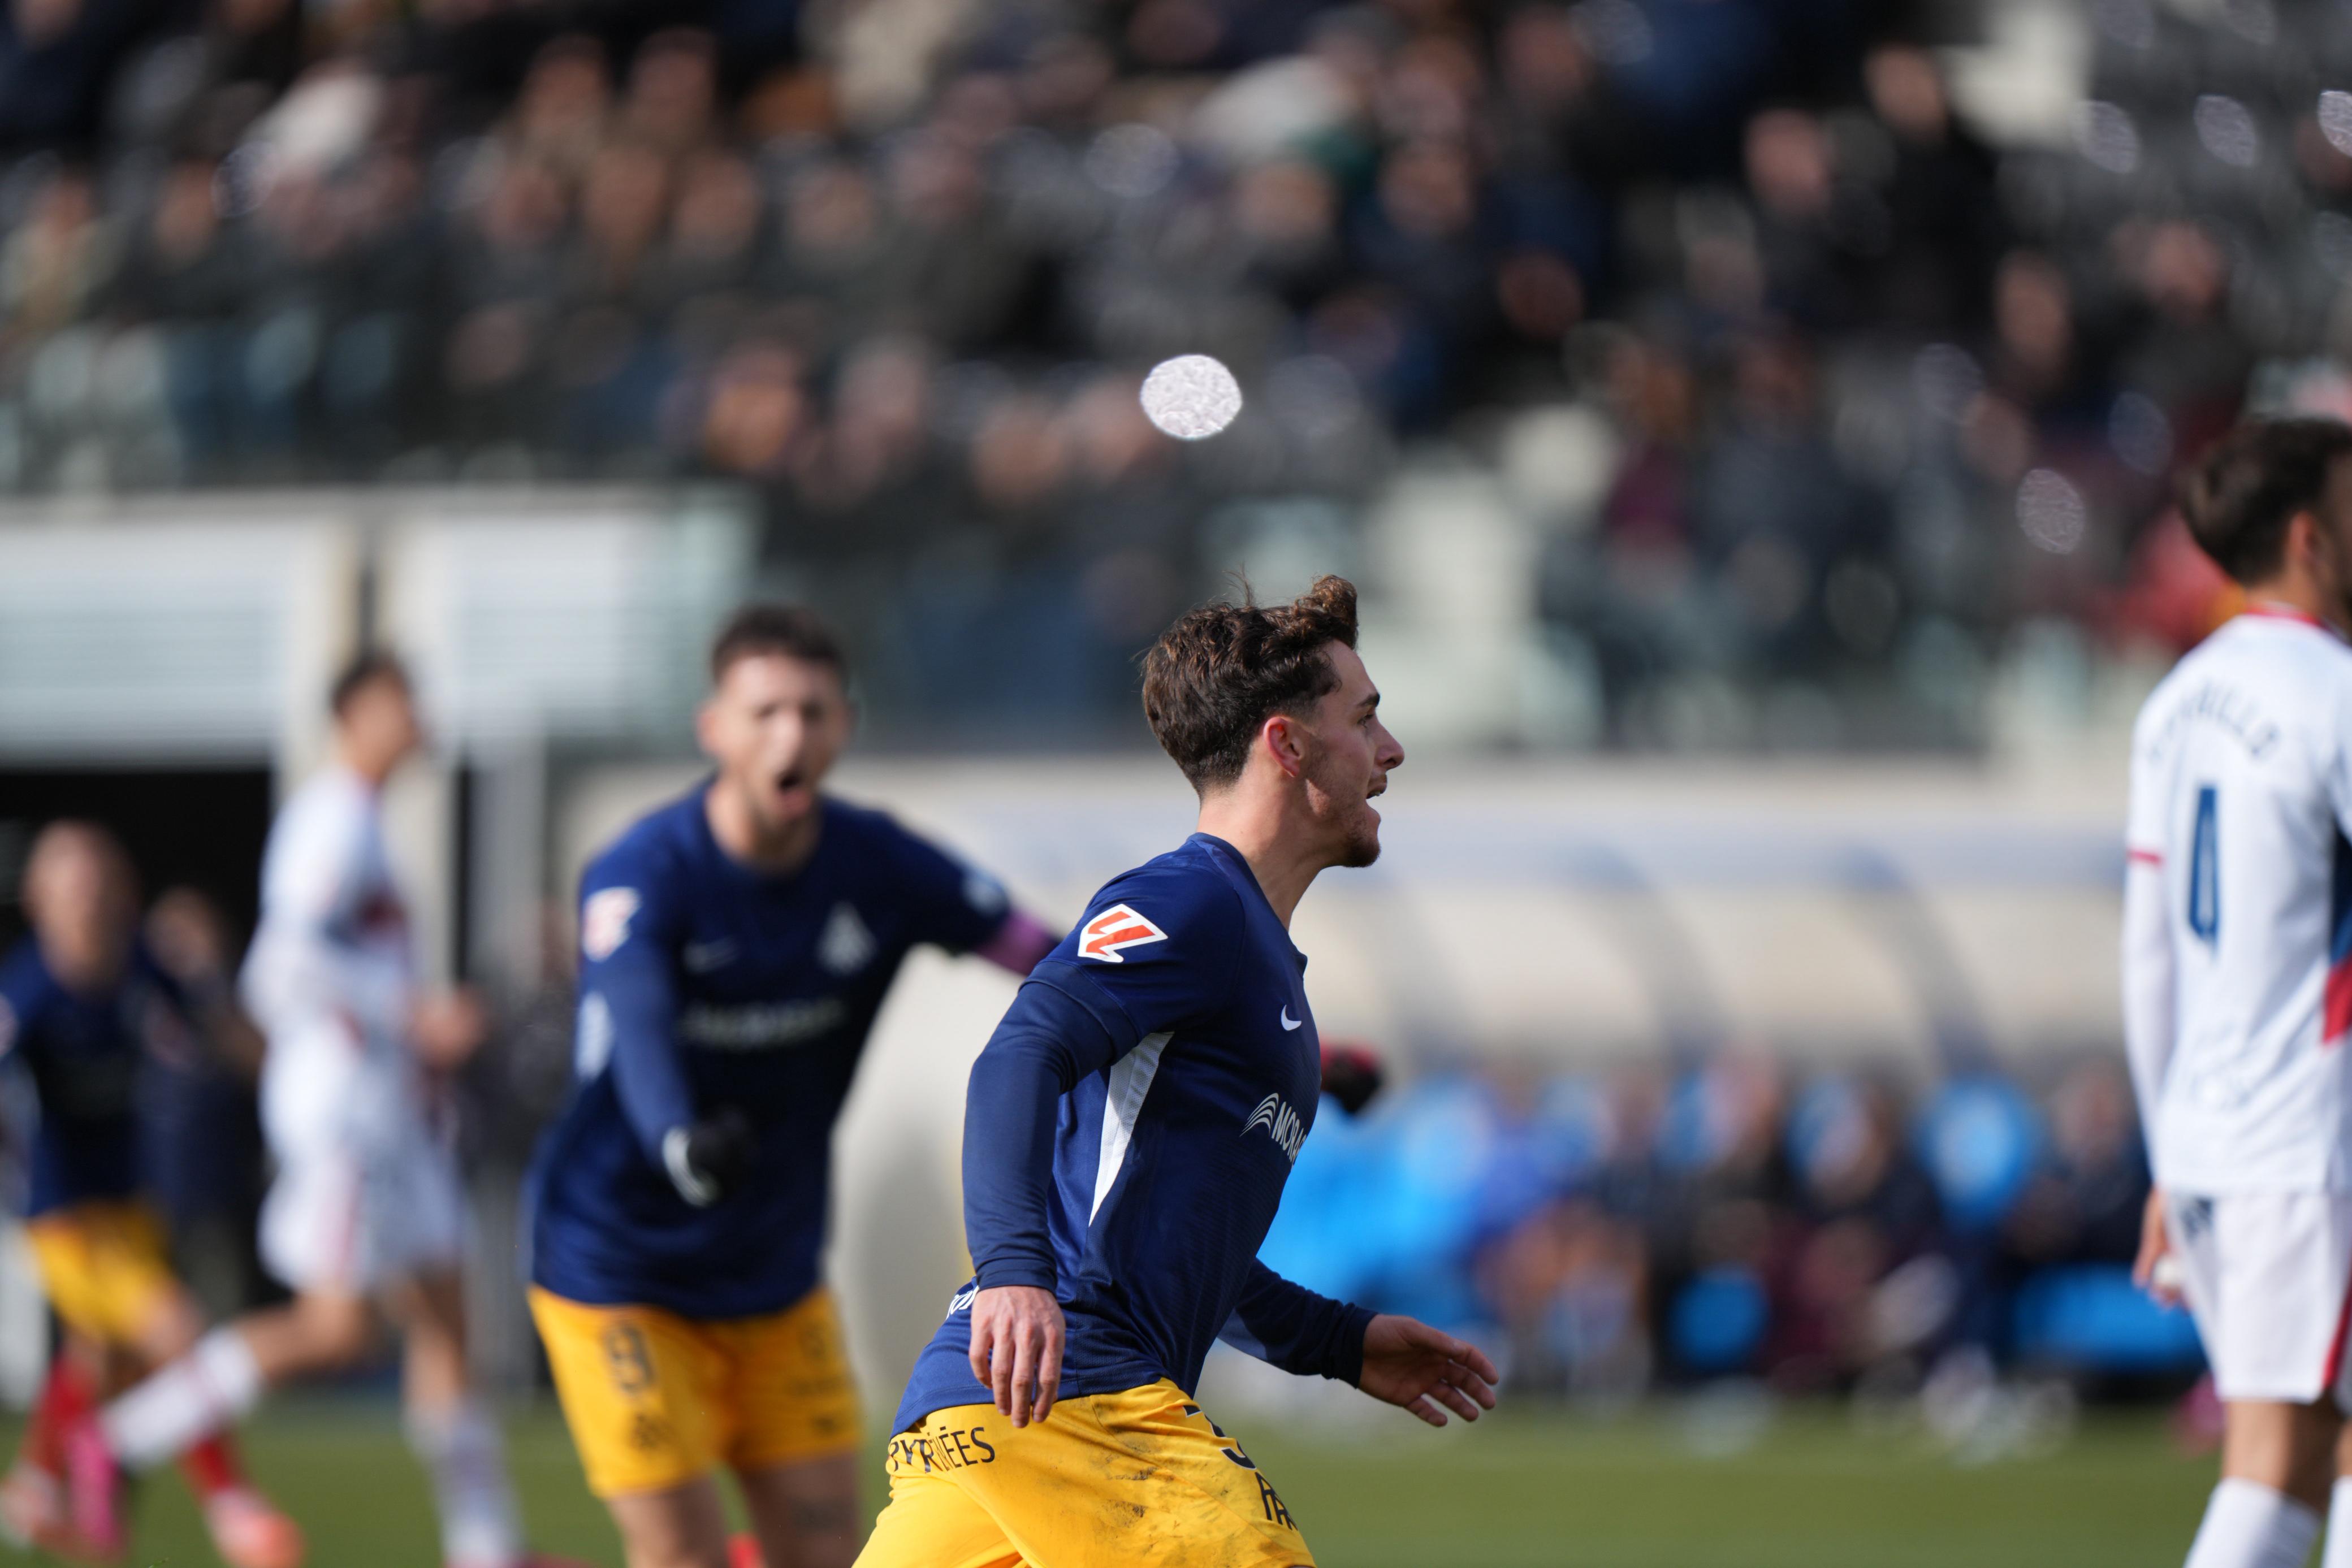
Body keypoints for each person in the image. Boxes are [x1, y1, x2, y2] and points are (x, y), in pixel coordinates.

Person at [859, 575, 1499, 1568]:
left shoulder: (1255, 961)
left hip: (989, 1412)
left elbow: (1182, 1246)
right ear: (1286, 745)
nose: (1391, 749)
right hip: (1075, 1385)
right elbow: (1018, 1054)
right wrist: (1016, 1272)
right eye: (1366, 717)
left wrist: (1339, 1341)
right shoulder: (1191, 901)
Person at [524, 604, 1063, 1568]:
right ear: (715, 729)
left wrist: (1225, 1021)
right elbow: (639, 1025)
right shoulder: (644, 872)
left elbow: (1048, 961)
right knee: (682, 1555)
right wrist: (681, 1141)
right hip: (619, 1271)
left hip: (774, 1272)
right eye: (765, 710)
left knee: (826, 1556)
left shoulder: (882, 863)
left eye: (812, 711)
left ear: (842, 726)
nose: (791, 735)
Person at [66, 654, 585, 1568]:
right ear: (357, 712)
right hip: (346, 1114)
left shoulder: (365, 822)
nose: (421, 714)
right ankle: (118, 1437)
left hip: (391, 1113)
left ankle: (487, 1546)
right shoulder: (331, 819)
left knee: (448, 1312)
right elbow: (282, 963)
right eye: (403, 699)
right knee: (338, 1328)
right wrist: (412, 1014)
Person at [2127, 416, 2352, 1568]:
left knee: (2318, 1451)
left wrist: (2166, 1149)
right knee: (2277, 1462)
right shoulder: (2332, 692)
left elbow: (2148, 947)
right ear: (2312, 535)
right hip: (2312, 1137)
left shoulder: (2177, 704)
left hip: (2218, 1134)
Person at [0, 822, 300, 1568]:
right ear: (38, 900)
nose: (91, 900)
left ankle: (36, 1484)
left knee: (101, 1361)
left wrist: (297, 1070)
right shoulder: (27, 991)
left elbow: (232, 1034)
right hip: (63, 1219)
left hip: (132, 1207)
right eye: (73, 886)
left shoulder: (143, 968)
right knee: (179, 1330)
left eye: (102, 882)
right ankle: (236, 1508)